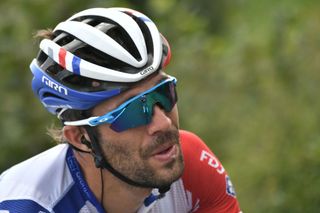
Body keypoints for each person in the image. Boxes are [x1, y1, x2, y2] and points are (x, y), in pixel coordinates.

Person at [0, 7, 242, 213]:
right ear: (81, 138)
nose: (163, 123)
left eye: (163, 93)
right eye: (134, 111)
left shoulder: (191, 163)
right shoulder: (28, 205)